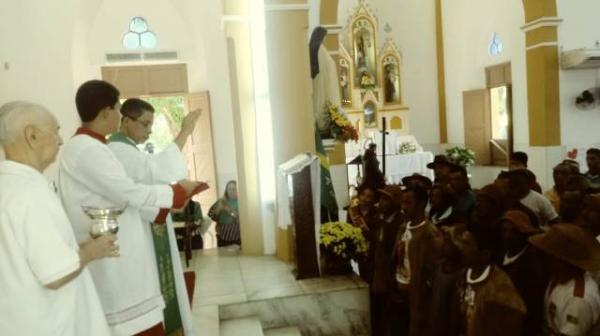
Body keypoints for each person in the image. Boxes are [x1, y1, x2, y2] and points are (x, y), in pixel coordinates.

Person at [58, 80, 203, 336]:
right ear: (106, 112)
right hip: (113, 252)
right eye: (117, 108)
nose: (119, 113)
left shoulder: (96, 146)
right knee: (130, 323)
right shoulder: (90, 149)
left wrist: (166, 204)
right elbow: (128, 191)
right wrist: (176, 193)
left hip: (119, 244)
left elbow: (123, 193)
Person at [0, 101, 116, 335]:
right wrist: (92, 251)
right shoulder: (30, 192)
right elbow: (56, 273)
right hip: (49, 323)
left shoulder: (8, 184)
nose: (61, 140)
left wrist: (77, 249)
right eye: (56, 131)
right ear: (31, 135)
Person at [107, 98, 204, 335]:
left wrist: (172, 197)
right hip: (139, 232)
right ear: (126, 121)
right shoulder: (119, 150)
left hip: (148, 224)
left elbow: (151, 176)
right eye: (145, 124)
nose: (149, 131)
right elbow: (155, 171)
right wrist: (185, 132)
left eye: (151, 125)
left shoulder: (127, 149)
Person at [449, 225, 527, 336]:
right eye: (462, 242)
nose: (460, 248)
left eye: (467, 244)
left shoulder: (501, 293)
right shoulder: (463, 276)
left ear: (485, 254)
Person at [529, 224, 600, 335]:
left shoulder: (578, 300)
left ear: (559, 260)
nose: (542, 257)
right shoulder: (559, 277)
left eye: (546, 254)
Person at [392, 187, 441, 336]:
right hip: (399, 293)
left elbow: (432, 272)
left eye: (408, 202)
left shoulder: (429, 233)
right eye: (402, 202)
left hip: (418, 299)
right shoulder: (402, 228)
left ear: (420, 205)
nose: (403, 207)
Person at [499, 210, 547, 335]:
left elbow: (531, 310)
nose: (507, 236)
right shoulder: (500, 255)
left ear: (523, 233)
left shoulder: (531, 266)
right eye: (504, 231)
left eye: (513, 231)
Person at [369, 186, 403, 336]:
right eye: (381, 198)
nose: (380, 202)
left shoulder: (399, 223)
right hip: (378, 274)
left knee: (391, 315)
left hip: (390, 278)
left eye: (385, 199)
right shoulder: (379, 219)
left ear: (395, 202)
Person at [347, 184, 377, 281]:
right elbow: (349, 229)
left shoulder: (376, 212)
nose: (365, 198)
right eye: (363, 194)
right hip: (359, 251)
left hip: (373, 251)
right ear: (359, 195)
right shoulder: (353, 211)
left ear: (372, 199)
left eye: (369, 196)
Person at [208, 181, 241, 247]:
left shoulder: (242, 201)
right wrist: (217, 211)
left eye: (234, 189)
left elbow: (242, 218)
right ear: (226, 190)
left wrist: (229, 211)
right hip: (222, 234)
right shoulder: (221, 201)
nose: (231, 191)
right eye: (229, 189)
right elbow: (210, 215)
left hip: (238, 235)